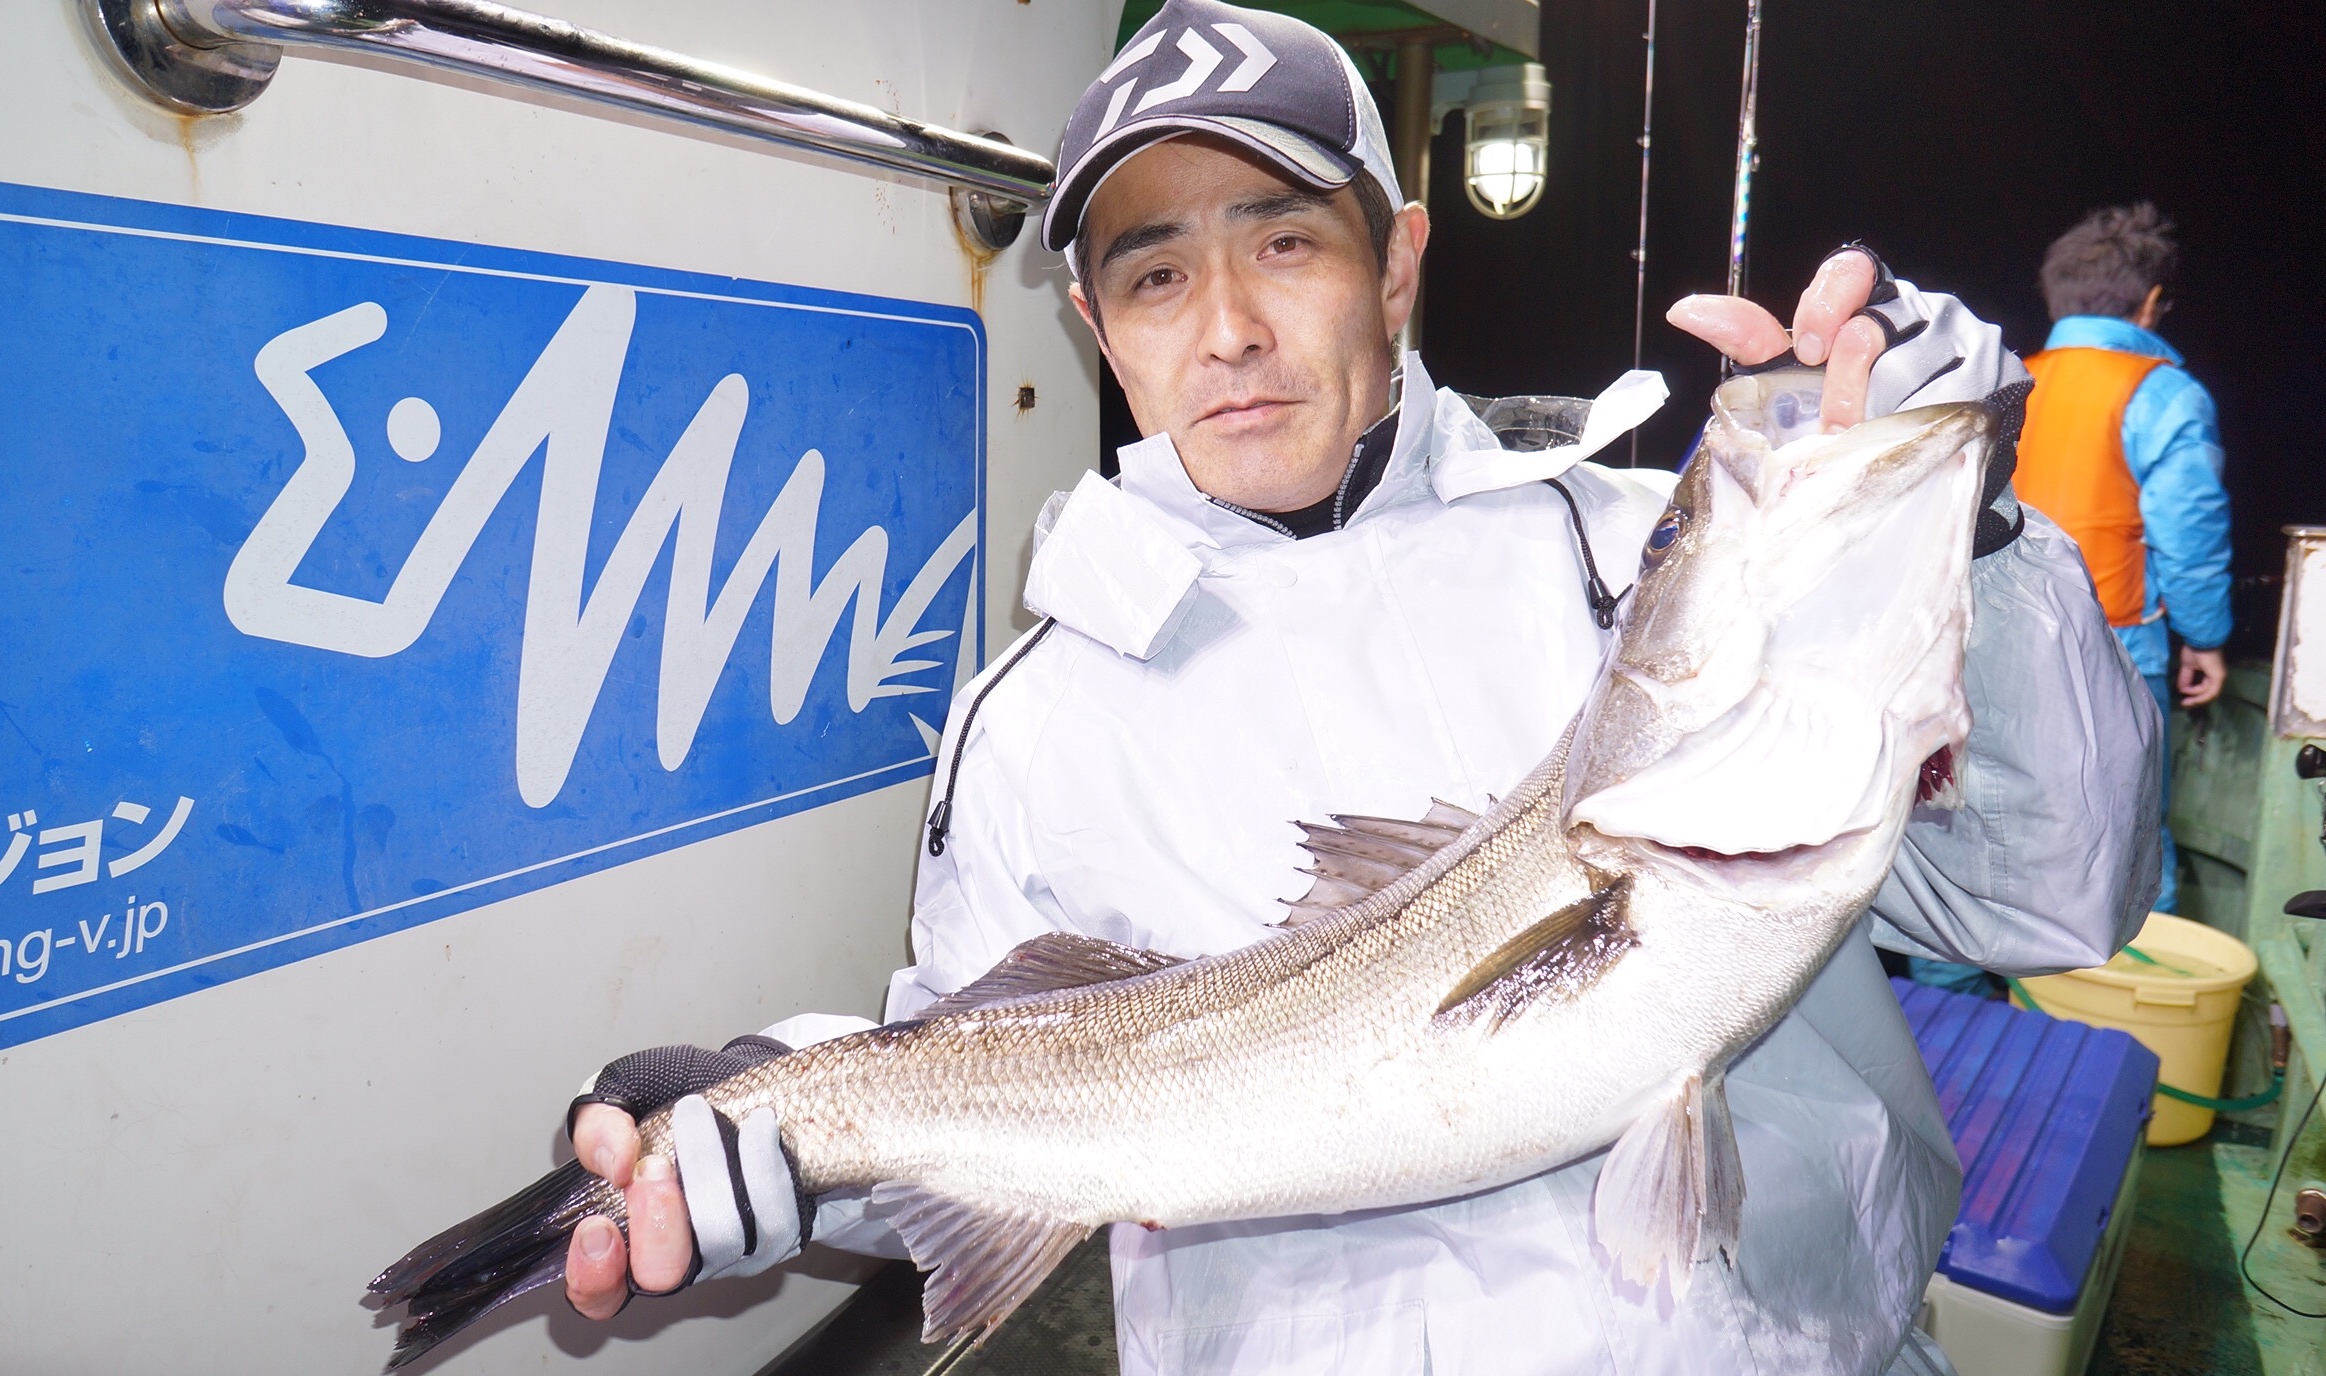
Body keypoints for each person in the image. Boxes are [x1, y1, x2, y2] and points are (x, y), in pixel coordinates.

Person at [559, 4, 2161, 1371]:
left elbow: (2053, 897)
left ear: (1395, 265)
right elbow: (988, 1080)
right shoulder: (1032, 720)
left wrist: (1969, 521)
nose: (1231, 331)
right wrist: (763, 1126)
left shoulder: (1628, 555)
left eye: (1284, 241)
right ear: (1100, 329)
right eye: (1157, 277)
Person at [2013, 203, 2232, 916]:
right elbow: (2188, 529)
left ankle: (1958, 983)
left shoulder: (2006, 385)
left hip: (1989, 643)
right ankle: (2127, 980)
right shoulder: (2163, 393)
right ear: (2150, 302)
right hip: (2111, 648)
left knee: (1987, 833)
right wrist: (2205, 636)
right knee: (2126, 840)